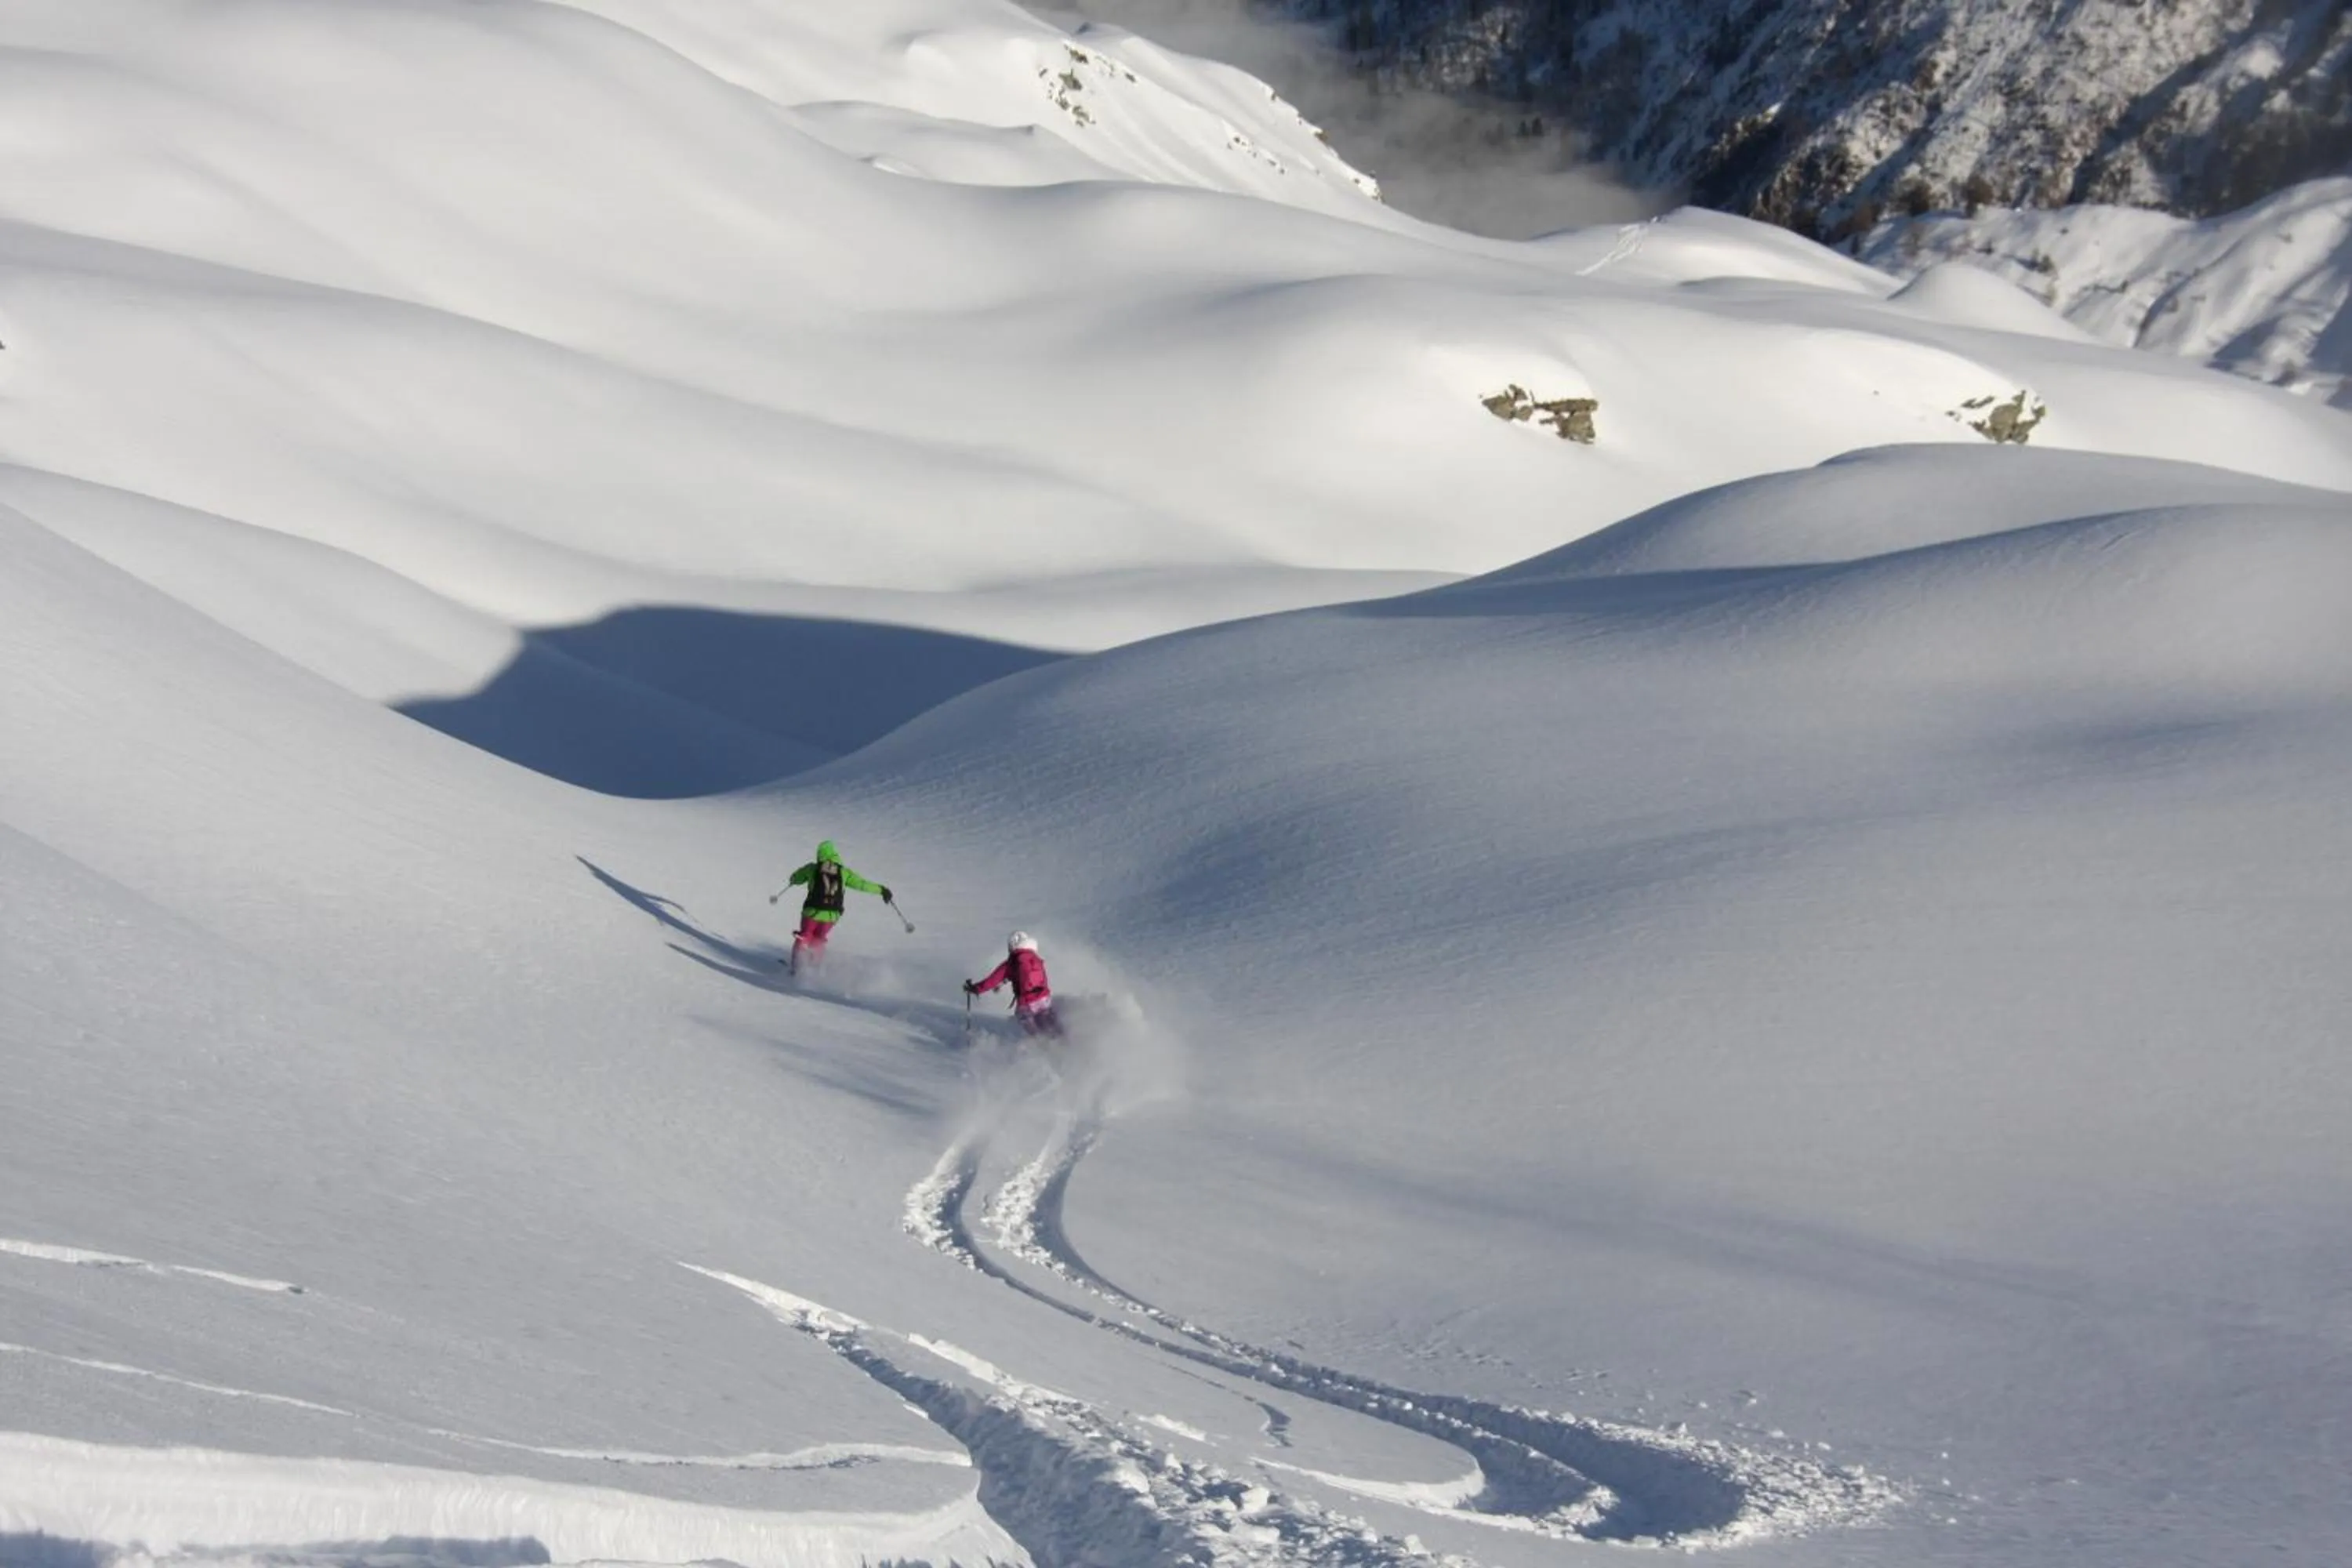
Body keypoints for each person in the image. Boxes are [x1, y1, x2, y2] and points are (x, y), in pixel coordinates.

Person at [775, 840, 891, 973]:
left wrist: (795, 879)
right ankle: (814, 969)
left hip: (812, 912)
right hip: (831, 916)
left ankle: (795, 967)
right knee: (819, 938)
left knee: (805, 935)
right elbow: (862, 884)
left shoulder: (812, 868)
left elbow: (795, 878)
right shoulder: (844, 873)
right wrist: (882, 890)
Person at [966, 931, 1062, 1038]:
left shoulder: (1011, 963)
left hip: (1027, 1003)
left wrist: (975, 989)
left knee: (1029, 1025)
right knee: (1050, 1023)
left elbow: (992, 981)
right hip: (1044, 999)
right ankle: (1065, 1042)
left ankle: (1040, 1044)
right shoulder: (1036, 959)